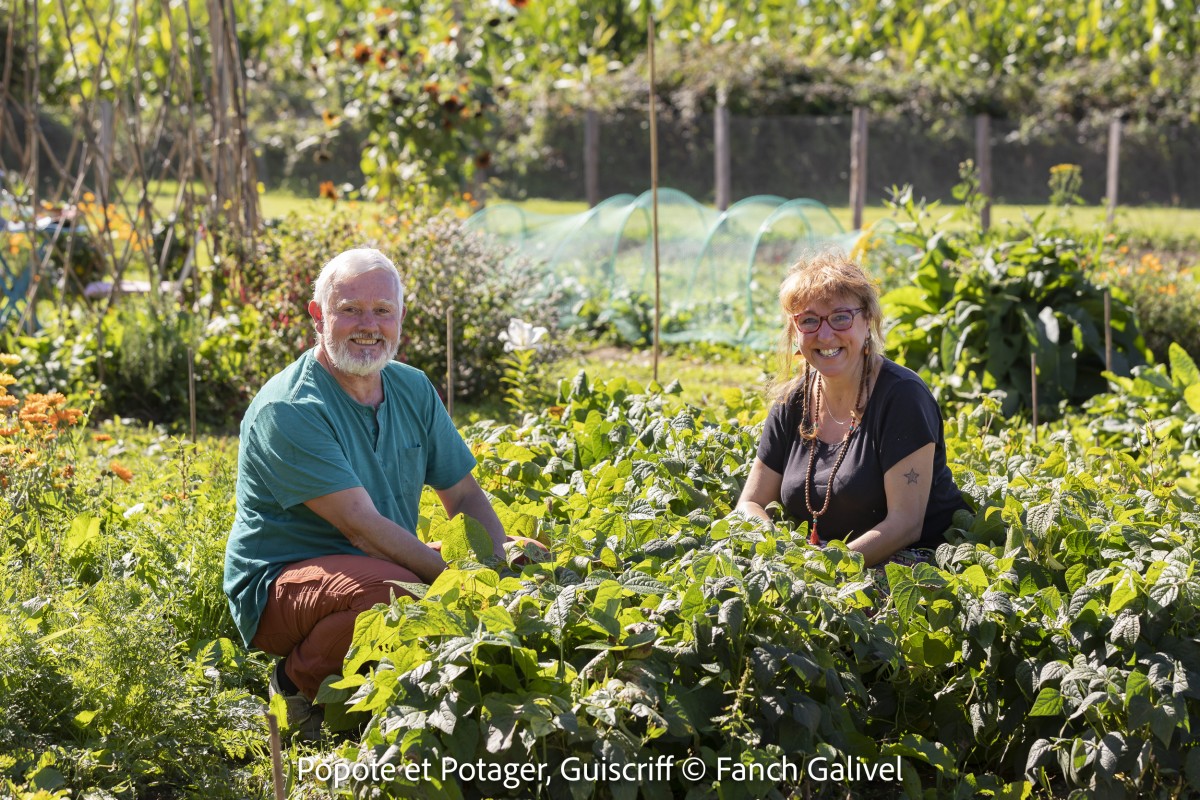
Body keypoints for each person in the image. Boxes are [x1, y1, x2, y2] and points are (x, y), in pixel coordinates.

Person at [223, 247, 522, 737]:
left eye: (382, 311)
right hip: (283, 583)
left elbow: (465, 497)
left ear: (401, 318)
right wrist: (458, 585)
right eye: (350, 310)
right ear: (318, 316)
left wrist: (498, 573)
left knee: (524, 556)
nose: (369, 324)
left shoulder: (412, 388)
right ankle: (295, 689)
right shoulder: (292, 407)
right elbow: (360, 529)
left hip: (381, 560)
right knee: (390, 594)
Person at [736, 251, 967, 566]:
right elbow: (750, 502)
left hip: (909, 566)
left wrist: (827, 568)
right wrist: (774, 550)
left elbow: (906, 524)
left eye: (841, 317)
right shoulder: (792, 402)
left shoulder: (902, 398)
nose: (826, 334)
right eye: (809, 320)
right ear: (794, 330)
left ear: (867, 320)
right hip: (815, 566)